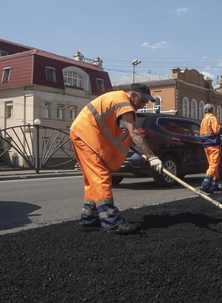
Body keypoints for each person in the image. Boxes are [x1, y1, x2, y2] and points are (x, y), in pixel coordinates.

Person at [69, 83, 163, 234]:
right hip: (86, 135)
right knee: (101, 176)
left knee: (92, 180)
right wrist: (152, 157)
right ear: (133, 95)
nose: (144, 104)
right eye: (143, 100)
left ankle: (89, 217)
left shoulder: (117, 99)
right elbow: (135, 133)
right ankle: (111, 221)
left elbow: (119, 130)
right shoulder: (124, 102)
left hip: (81, 133)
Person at [198, 103, 222, 193]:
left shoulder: (203, 120)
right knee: (213, 165)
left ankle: (214, 185)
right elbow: (218, 130)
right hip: (213, 145)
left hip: (206, 145)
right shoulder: (212, 118)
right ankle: (205, 185)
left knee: (213, 165)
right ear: (211, 110)